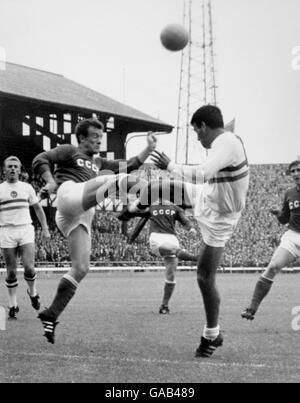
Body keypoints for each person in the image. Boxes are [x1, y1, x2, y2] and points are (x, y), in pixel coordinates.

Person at [119, 105, 249, 357]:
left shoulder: (227, 141)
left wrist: (171, 164)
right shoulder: (224, 142)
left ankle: (212, 334)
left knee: (204, 277)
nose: (198, 137)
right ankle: (134, 208)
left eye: (196, 131)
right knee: (161, 186)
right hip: (208, 198)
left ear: (202, 125)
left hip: (220, 218)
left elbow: (201, 174)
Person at [32, 117, 156, 343]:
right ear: (81, 138)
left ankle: (51, 314)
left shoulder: (97, 162)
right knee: (117, 180)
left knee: (81, 268)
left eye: (101, 137)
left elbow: (131, 163)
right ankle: (151, 199)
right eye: (95, 137)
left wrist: (149, 147)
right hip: (69, 194)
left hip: (80, 214)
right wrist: (50, 181)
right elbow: (41, 158)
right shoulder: (71, 151)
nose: (99, 141)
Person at [242, 160, 300, 320]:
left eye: (298, 170)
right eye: (293, 171)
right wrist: (277, 213)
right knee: (273, 266)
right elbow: (284, 219)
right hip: (293, 236)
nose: (296, 174)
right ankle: (251, 309)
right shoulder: (289, 193)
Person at [128, 199, 198, 314]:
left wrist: (191, 228)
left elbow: (184, 220)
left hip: (171, 238)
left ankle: (164, 306)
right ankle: (197, 258)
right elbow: (141, 222)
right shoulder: (151, 207)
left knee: (171, 274)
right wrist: (131, 238)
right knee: (175, 250)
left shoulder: (175, 208)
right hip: (156, 237)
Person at [0, 156, 50, 319]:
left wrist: (45, 228)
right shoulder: (0, 189)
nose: (13, 168)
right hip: (7, 231)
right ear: (4, 170)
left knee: (29, 268)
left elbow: (38, 209)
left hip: (25, 229)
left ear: (20, 169)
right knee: (11, 272)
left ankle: (33, 293)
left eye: (16, 166)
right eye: (10, 166)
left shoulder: (27, 187)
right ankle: (13, 304)